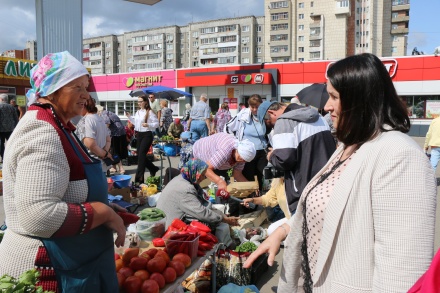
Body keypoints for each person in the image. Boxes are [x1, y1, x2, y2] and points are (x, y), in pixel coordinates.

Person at [244, 53, 437, 293]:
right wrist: (283, 231)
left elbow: (402, 273)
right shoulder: (351, 146)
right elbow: (328, 206)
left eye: (334, 97)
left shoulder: (399, 156)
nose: (326, 106)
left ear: (361, 100)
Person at [0, 51, 126, 292]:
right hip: (47, 270)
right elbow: (38, 214)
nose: (85, 95)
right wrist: (103, 213)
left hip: (72, 264)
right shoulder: (43, 131)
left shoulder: (59, 125)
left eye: (86, 86)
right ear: (52, 89)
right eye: (76, 86)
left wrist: (106, 207)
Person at [258, 101, 336, 215]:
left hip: (304, 194)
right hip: (328, 186)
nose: (274, 127)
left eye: (270, 124)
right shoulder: (318, 117)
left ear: (271, 113)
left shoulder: (284, 121)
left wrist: (272, 156)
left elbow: (283, 160)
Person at [157, 159, 240, 247]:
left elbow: (203, 203)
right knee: (210, 222)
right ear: (196, 174)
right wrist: (223, 219)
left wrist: (221, 215)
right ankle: (218, 246)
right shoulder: (185, 189)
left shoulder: (182, 178)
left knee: (214, 215)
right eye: (203, 175)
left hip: (171, 219)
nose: (204, 178)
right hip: (170, 228)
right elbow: (201, 213)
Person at [179, 132, 256, 192]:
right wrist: (219, 182)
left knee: (199, 185)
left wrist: (250, 187)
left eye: (244, 160)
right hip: (194, 152)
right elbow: (207, 168)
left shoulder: (242, 157)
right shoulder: (225, 151)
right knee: (187, 183)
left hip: (208, 161)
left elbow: (237, 174)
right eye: (241, 158)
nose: (242, 161)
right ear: (238, 150)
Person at [225, 94, 268, 191]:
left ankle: (258, 197)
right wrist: (234, 142)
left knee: (260, 175)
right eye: (252, 107)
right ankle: (247, 196)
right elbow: (228, 127)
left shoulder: (265, 116)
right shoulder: (242, 115)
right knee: (248, 175)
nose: (254, 109)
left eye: (257, 107)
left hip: (261, 151)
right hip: (247, 151)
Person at [126, 95, 160, 183]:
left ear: (145, 102)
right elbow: (136, 123)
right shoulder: (138, 112)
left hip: (147, 134)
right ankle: (153, 168)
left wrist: (148, 125)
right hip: (139, 135)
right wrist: (129, 117)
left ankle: (139, 179)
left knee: (141, 155)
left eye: (141, 101)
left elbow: (156, 123)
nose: (139, 103)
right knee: (140, 156)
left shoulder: (149, 112)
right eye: (138, 101)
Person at [76, 98, 112, 174]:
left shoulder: (85, 120)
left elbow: (91, 144)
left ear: (84, 106)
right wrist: (105, 152)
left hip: (91, 164)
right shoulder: (99, 118)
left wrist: (104, 154)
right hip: (101, 164)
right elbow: (108, 139)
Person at [100, 106, 127, 174]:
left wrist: (103, 133)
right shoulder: (110, 113)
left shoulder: (103, 113)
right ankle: (114, 167)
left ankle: (121, 168)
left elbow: (107, 123)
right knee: (115, 150)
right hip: (121, 132)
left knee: (114, 151)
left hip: (115, 134)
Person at [0, 94, 18, 160]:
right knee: (11, 143)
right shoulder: (11, 107)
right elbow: (15, 117)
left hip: (1, 129)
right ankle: (13, 156)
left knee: (1, 144)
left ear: (1, 99)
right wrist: (16, 126)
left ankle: (3, 157)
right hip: (10, 128)